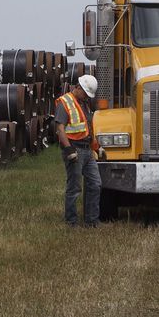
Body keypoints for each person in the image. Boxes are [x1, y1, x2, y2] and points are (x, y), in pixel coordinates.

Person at [55, 74, 100, 227]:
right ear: (78, 88)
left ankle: (92, 221)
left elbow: (88, 127)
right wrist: (68, 150)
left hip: (88, 151)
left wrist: (97, 148)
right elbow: (60, 129)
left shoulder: (84, 103)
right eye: (86, 93)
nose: (88, 97)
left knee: (95, 184)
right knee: (74, 187)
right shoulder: (64, 102)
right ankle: (71, 221)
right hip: (75, 150)